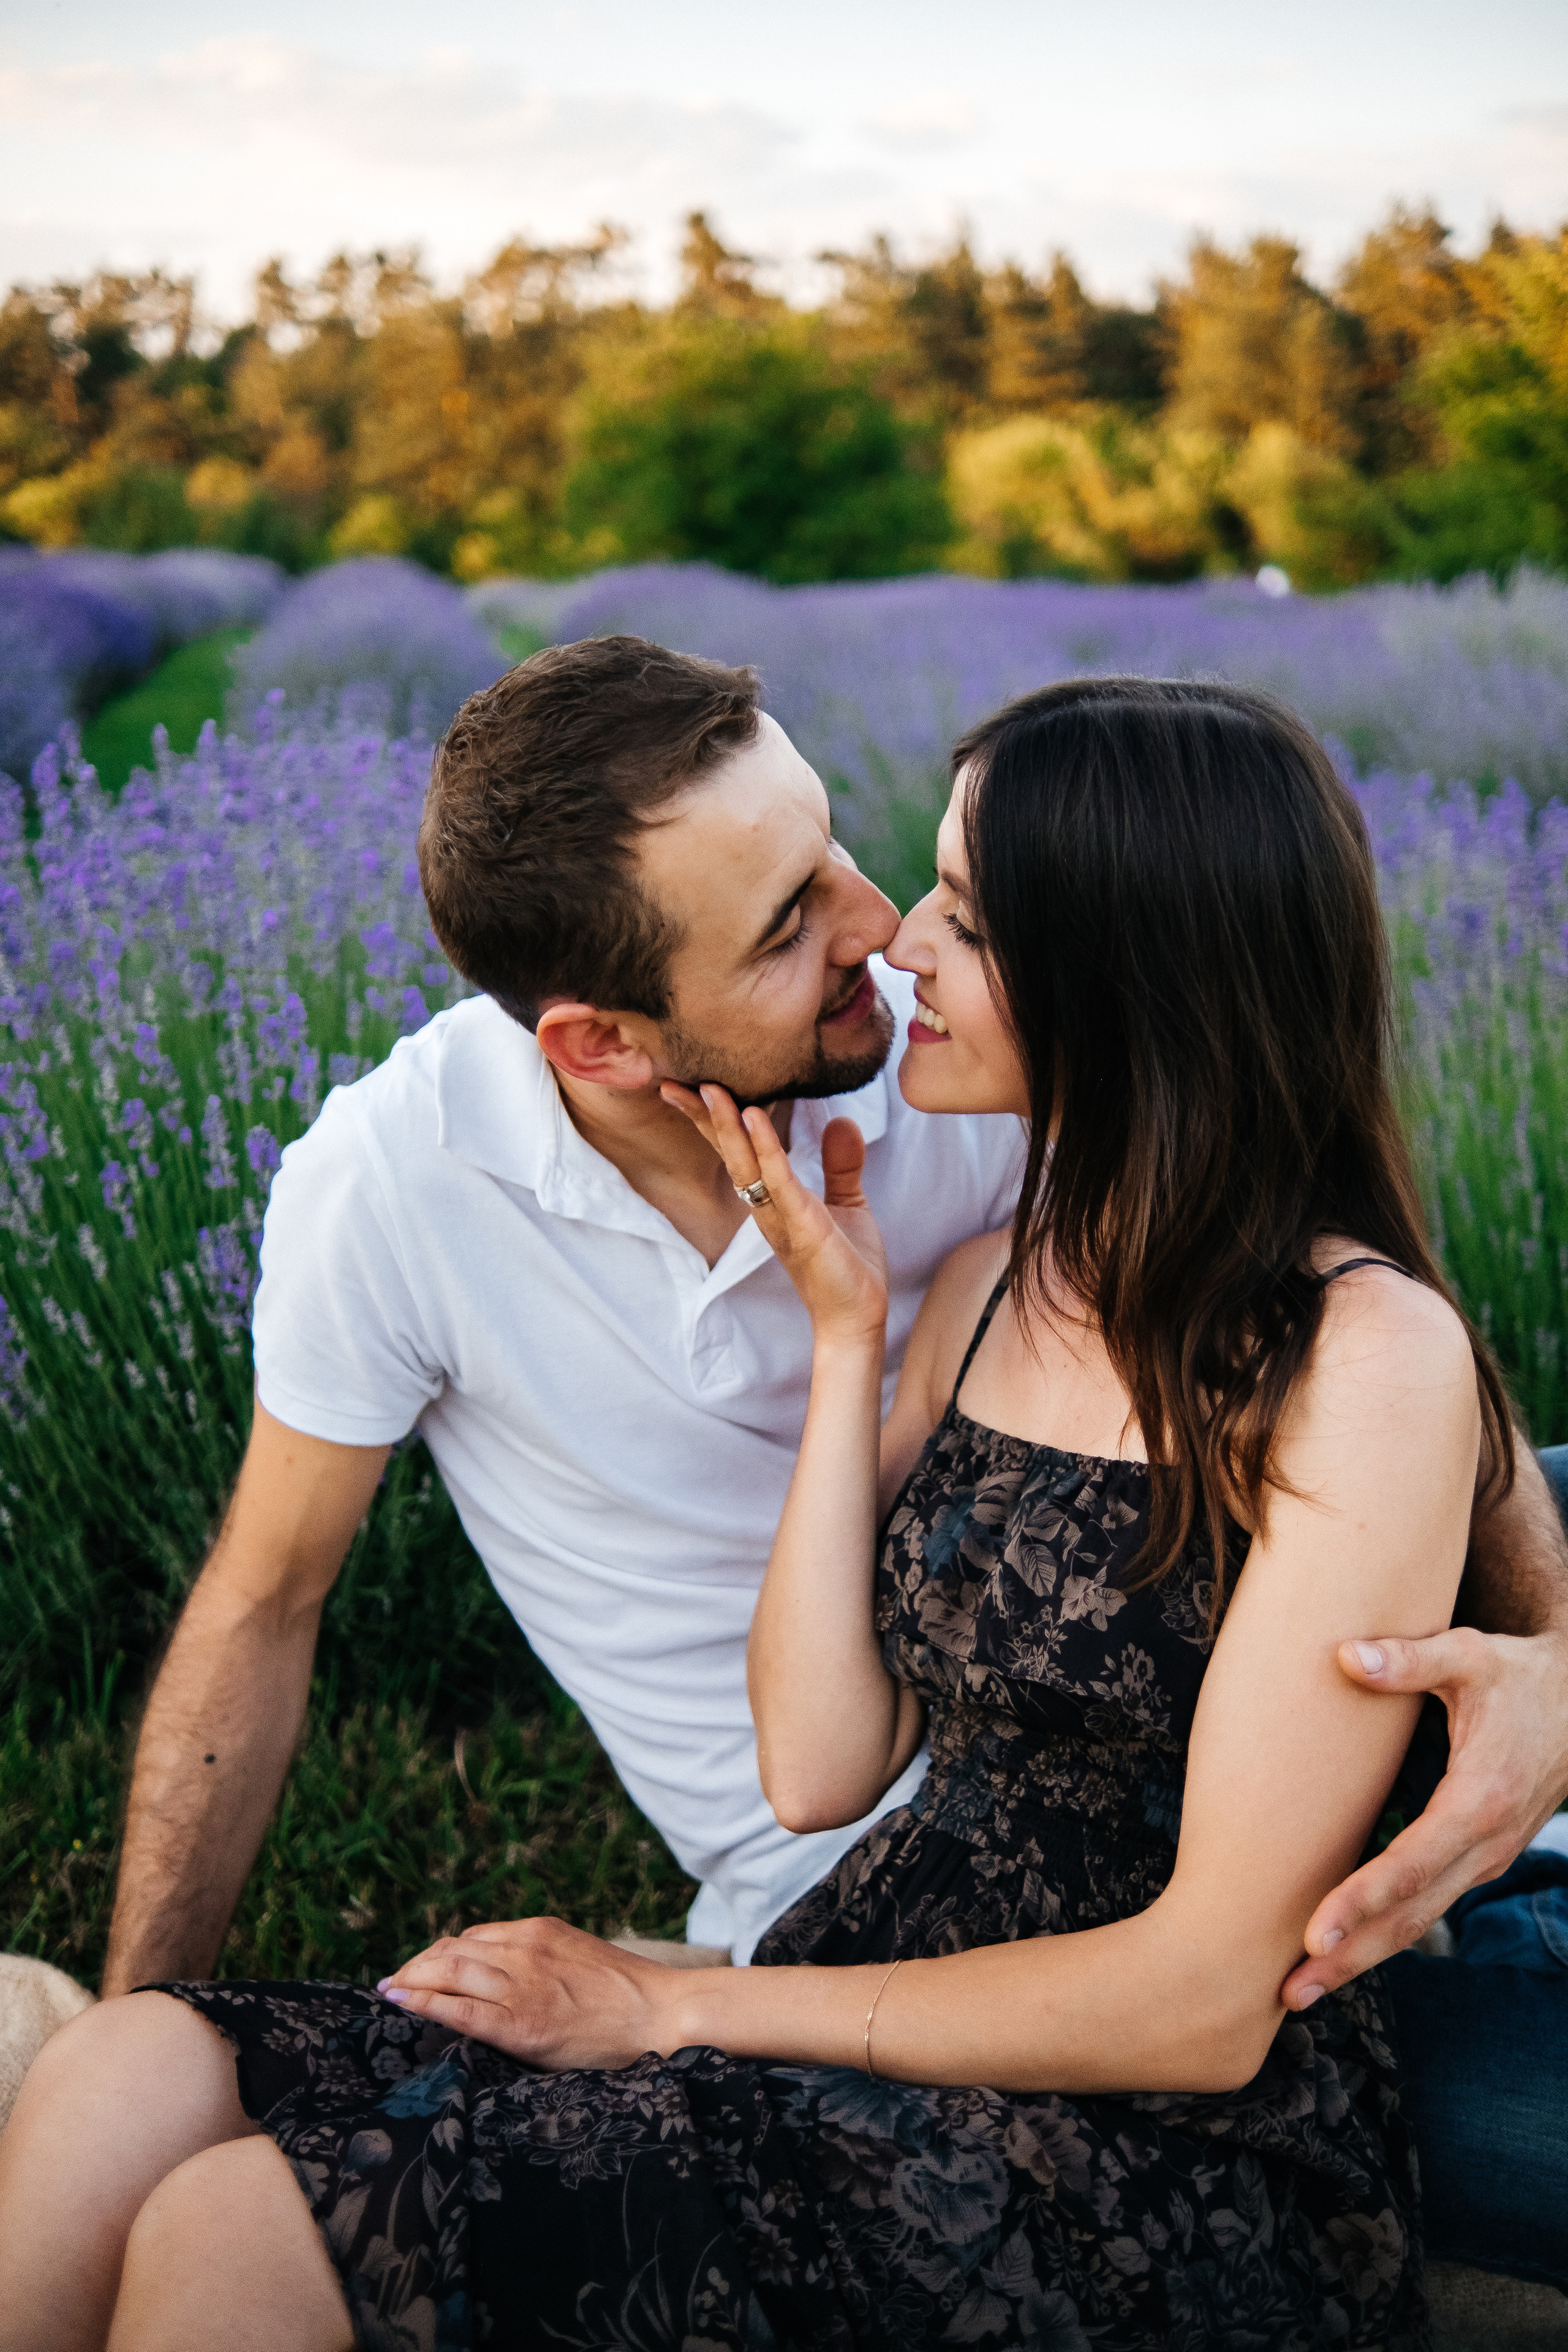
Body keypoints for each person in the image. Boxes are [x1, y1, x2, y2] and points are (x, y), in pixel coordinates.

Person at [3, 660, 1566, 2348]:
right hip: (850, 1924)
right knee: (127, 2069)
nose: (887, 935)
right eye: (790, 921)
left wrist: (1560, 1666)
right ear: (599, 1038)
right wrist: (848, 1341)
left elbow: (1210, 1984)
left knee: (243, 2233)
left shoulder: (1307, 1323)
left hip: (1146, 2094)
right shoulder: (968, 1273)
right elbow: (817, 1770)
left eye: (947, 904)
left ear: (1117, 978)